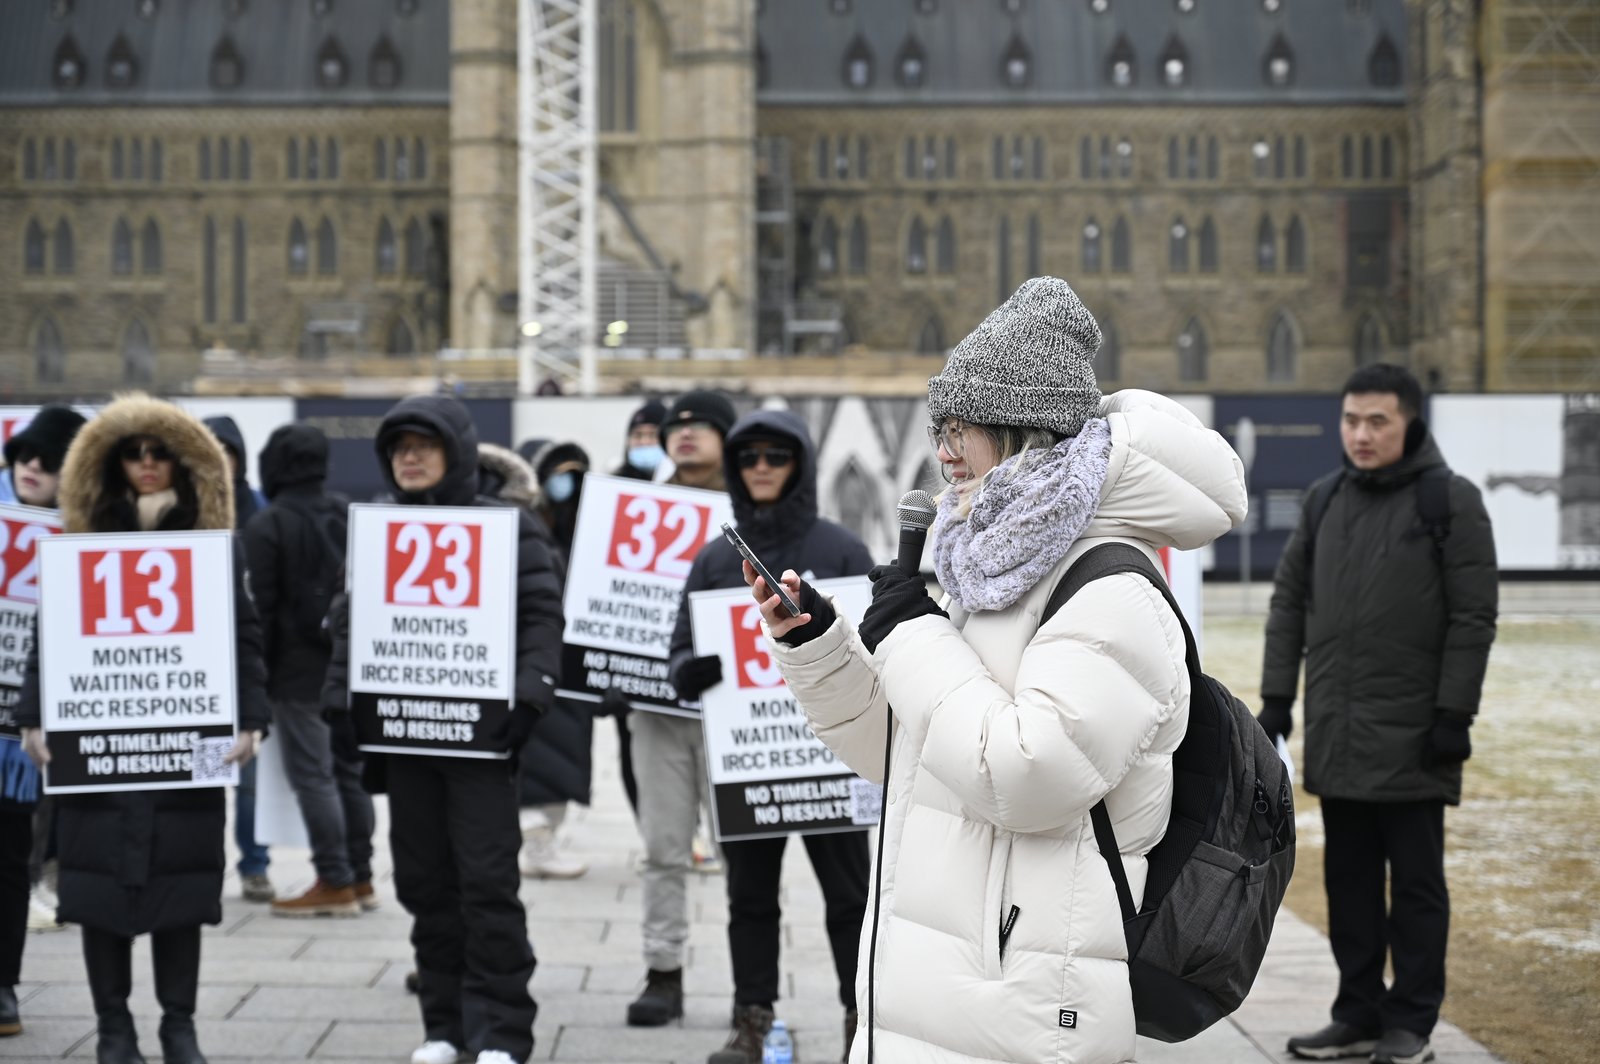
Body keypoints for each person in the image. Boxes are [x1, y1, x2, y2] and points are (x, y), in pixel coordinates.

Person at [748, 277, 1247, 1064]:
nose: (942, 448)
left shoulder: (1109, 589)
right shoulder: (991, 571)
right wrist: (821, 648)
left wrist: (912, 633)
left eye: (963, 425)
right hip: (940, 982)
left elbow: (1026, 776)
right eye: (939, 424)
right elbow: (914, 756)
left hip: (1022, 996)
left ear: (1025, 431)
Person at [17, 393, 270, 1064]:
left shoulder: (215, 547)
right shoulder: (81, 543)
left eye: (160, 451)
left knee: (181, 889)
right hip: (98, 745)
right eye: (134, 451)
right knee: (97, 890)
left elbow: (243, 639)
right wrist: (33, 715)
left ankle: (178, 1026)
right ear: (113, 462)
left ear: (183, 463)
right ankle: (113, 1027)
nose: (148, 463)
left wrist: (252, 718)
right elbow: (51, 636)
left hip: (184, 743)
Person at [1259, 364, 1497, 1064]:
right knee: (1349, 885)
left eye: (1377, 422)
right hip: (1339, 733)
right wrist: (1278, 698)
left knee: (1417, 891)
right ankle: (1358, 1012)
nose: (1360, 435)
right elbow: (1288, 605)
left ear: (1410, 423)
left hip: (1419, 738)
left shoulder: (1450, 501)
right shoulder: (1324, 499)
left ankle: (1410, 1024)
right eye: (1351, 421)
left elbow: (1473, 617)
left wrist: (1456, 713)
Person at [323, 395, 563, 1064]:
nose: (409, 455)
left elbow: (543, 617)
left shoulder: (509, 527)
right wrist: (339, 703)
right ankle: (443, 1027)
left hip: (482, 740)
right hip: (405, 738)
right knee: (425, 886)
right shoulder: (377, 528)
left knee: (487, 884)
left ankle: (503, 1033)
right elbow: (351, 622)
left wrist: (528, 698)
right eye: (398, 444)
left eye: (423, 443)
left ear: (455, 452)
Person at [670, 409, 874, 1064]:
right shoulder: (710, 559)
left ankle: (860, 1018)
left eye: (775, 456)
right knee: (748, 898)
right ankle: (751, 1019)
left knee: (850, 900)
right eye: (749, 456)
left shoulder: (841, 550)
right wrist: (688, 671)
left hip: (831, 757)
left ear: (800, 466)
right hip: (751, 765)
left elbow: (879, 649)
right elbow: (678, 652)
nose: (760, 466)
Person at [624, 388, 737, 1029]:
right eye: (676, 427)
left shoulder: (756, 509)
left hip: (734, 711)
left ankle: (752, 982)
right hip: (661, 707)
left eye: (700, 426)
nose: (685, 435)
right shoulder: (633, 509)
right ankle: (662, 971)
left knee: (745, 856)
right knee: (663, 845)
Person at [242, 423, 378, 919]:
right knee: (349, 773)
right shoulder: (348, 513)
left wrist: (259, 678)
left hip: (297, 676)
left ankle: (335, 879)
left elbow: (264, 611)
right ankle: (361, 877)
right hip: (350, 668)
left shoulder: (268, 523)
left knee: (313, 776)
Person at [0, 404, 87, 1039]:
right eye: (26, 453)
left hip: (21, 729)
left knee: (8, 859)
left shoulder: (86, 535)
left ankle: (2, 986)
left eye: (51, 459)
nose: (33, 465)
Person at [509, 442, 593, 880]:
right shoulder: (518, 522)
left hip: (571, 661)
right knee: (536, 753)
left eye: (574, 475)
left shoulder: (576, 525)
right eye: (558, 473)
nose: (566, 484)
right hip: (532, 655)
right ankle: (534, 838)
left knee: (566, 753)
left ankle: (547, 835)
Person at [202, 415, 273, 904]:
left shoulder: (260, 510)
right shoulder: (186, 511)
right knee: (202, 776)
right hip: (197, 666)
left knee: (249, 777)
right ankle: (204, 865)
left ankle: (254, 864)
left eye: (227, 450)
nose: (220, 460)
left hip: (247, 657)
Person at [614, 398, 667, 481]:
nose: (644, 442)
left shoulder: (681, 484)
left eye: (653, 435)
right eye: (638, 435)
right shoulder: (615, 481)